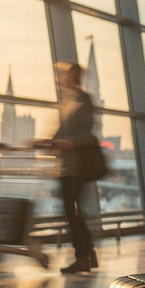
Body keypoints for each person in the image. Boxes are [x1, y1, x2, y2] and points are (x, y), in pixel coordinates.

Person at [40, 62, 101, 274]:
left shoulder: (83, 100)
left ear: (73, 77)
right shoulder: (68, 101)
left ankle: (83, 256)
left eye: (65, 75)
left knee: (71, 210)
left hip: (77, 167)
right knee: (73, 211)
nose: (61, 78)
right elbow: (62, 131)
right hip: (67, 166)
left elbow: (87, 134)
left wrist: (69, 143)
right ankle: (87, 254)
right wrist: (47, 142)